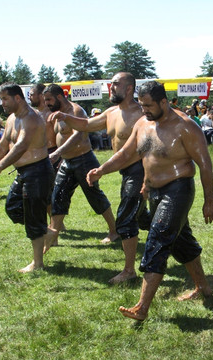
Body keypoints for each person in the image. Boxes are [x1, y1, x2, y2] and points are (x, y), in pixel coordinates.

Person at [86, 81, 213, 321]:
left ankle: (142, 306)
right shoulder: (142, 124)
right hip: (155, 190)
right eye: (142, 104)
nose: (144, 109)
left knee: (157, 238)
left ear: (163, 103)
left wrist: (209, 200)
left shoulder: (184, 126)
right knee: (181, 242)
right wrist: (101, 170)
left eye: (148, 105)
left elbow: (205, 163)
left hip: (178, 189)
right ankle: (203, 288)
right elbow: (127, 154)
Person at [55, 72, 151, 284]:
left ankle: (129, 271)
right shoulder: (111, 113)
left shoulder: (141, 114)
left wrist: (147, 180)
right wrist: (66, 117)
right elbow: (87, 125)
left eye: (115, 85)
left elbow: (142, 149)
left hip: (140, 171)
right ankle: (172, 235)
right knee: (144, 218)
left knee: (125, 219)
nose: (110, 88)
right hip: (126, 172)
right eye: (110, 84)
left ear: (128, 89)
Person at [0, 83, 57, 273]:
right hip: (23, 173)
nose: (2, 103)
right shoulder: (11, 118)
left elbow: (20, 147)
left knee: (34, 217)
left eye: (5, 99)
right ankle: (48, 231)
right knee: (13, 208)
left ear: (17, 98)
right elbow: (3, 144)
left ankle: (37, 263)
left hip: (38, 171)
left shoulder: (31, 119)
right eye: (1, 98)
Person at [43, 83, 119, 250]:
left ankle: (114, 231)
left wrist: (57, 152)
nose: (46, 103)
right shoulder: (55, 115)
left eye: (48, 99)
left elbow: (79, 135)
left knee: (95, 197)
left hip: (84, 160)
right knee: (58, 196)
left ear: (59, 97)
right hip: (67, 162)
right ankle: (53, 236)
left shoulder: (76, 111)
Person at [28, 83, 55, 154]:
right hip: (38, 154)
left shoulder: (51, 113)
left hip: (52, 152)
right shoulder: (33, 114)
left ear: (41, 96)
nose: (29, 97)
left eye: (31, 95)